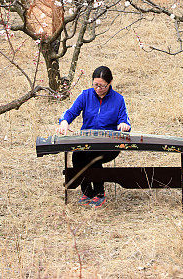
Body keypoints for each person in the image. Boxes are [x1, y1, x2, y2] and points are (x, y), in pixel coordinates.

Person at [56, 65, 131, 207]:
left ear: (110, 83)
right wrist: (64, 122)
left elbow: (124, 120)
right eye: (95, 85)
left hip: (110, 145)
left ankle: (99, 192)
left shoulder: (118, 99)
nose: (98, 89)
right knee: (77, 155)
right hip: (88, 140)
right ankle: (87, 191)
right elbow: (71, 112)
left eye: (102, 86)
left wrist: (123, 126)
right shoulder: (86, 95)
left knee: (92, 156)